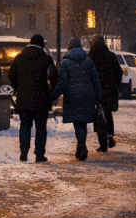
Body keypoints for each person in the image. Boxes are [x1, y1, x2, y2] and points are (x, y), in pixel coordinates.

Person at [8, 34, 58, 162]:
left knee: (25, 125)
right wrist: (52, 91)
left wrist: (18, 88)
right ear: (41, 45)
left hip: (24, 97)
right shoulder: (46, 58)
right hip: (42, 98)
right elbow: (53, 76)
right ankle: (39, 154)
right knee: (41, 127)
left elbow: (11, 74)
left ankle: (24, 152)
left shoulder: (19, 57)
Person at [51, 37, 103, 160]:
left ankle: (81, 145)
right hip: (87, 95)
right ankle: (81, 145)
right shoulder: (89, 61)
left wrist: (54, 95)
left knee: (77, 123)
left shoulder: (65, 63)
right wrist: (99, 96)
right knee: (83, 122)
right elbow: (96, 80)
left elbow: (63, 82)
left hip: (72, 96)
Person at [87, 34, 124, 152]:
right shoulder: (111, 56)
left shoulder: (90, 57)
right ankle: (110, 135)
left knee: (98, 115)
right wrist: (116, 85)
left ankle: (103, 143)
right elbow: (119, 72)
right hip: (110, 90)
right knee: (107, 113)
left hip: (96, 91)